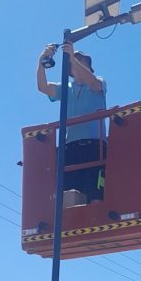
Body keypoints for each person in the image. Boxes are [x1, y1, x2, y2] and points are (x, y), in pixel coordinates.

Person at [37, 41, 107, 202]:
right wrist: (41, 60)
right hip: (71, 147)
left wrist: (72, 58)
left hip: (95, 146)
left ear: (89, 66)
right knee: (69, 195)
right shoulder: (66, 88)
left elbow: (94, 84)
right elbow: (42, 87)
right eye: (74, 60)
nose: (75, 61)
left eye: (80, 60)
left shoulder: (99, 81)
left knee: (94, 193)